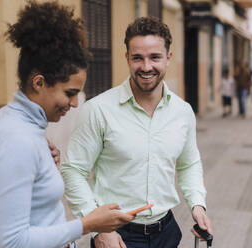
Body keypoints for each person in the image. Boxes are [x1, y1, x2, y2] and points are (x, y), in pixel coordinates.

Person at [0, 1, 133, 248]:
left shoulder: (13, 121)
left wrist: (43, 164)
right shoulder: (16, 137)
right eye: (70, 93)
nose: (75, 103)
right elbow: (12, 241)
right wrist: (89, 224)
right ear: (39, 83)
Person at [61, 16, 212, 248]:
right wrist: (98, 227)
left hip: (167, 233)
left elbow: (189, 163)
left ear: (169, 58)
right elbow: (73, 170)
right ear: (127, 58)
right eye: (137, 58)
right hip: (116, 236)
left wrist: (197, 204)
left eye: (155, 57)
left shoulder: (183, 112)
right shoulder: (98, 110)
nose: (146, 66)